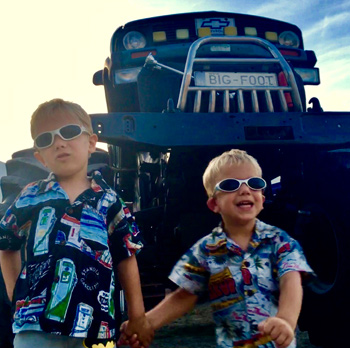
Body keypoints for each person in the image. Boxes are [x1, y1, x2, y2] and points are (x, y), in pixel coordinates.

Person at [119, 149, 315, 348]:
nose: (245, 190)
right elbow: (185, 295)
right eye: (231, 185)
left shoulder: (280, 242)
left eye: (254, 184)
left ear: (262, 199)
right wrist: (146, 322)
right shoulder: (206, 250)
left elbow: (291, 282)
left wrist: (286, 320)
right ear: (214, 204)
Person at [0, 99, 154, 348]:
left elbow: (126, 256)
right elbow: (7, 244)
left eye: (69, 132)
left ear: (92, 142)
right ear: (40, 157)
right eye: (45, 139)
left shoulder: (109, 200)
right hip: (35, 326)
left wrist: (138, 317)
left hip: (97, 328)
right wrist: (14, 293)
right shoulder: (30, 196)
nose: (59, 142)